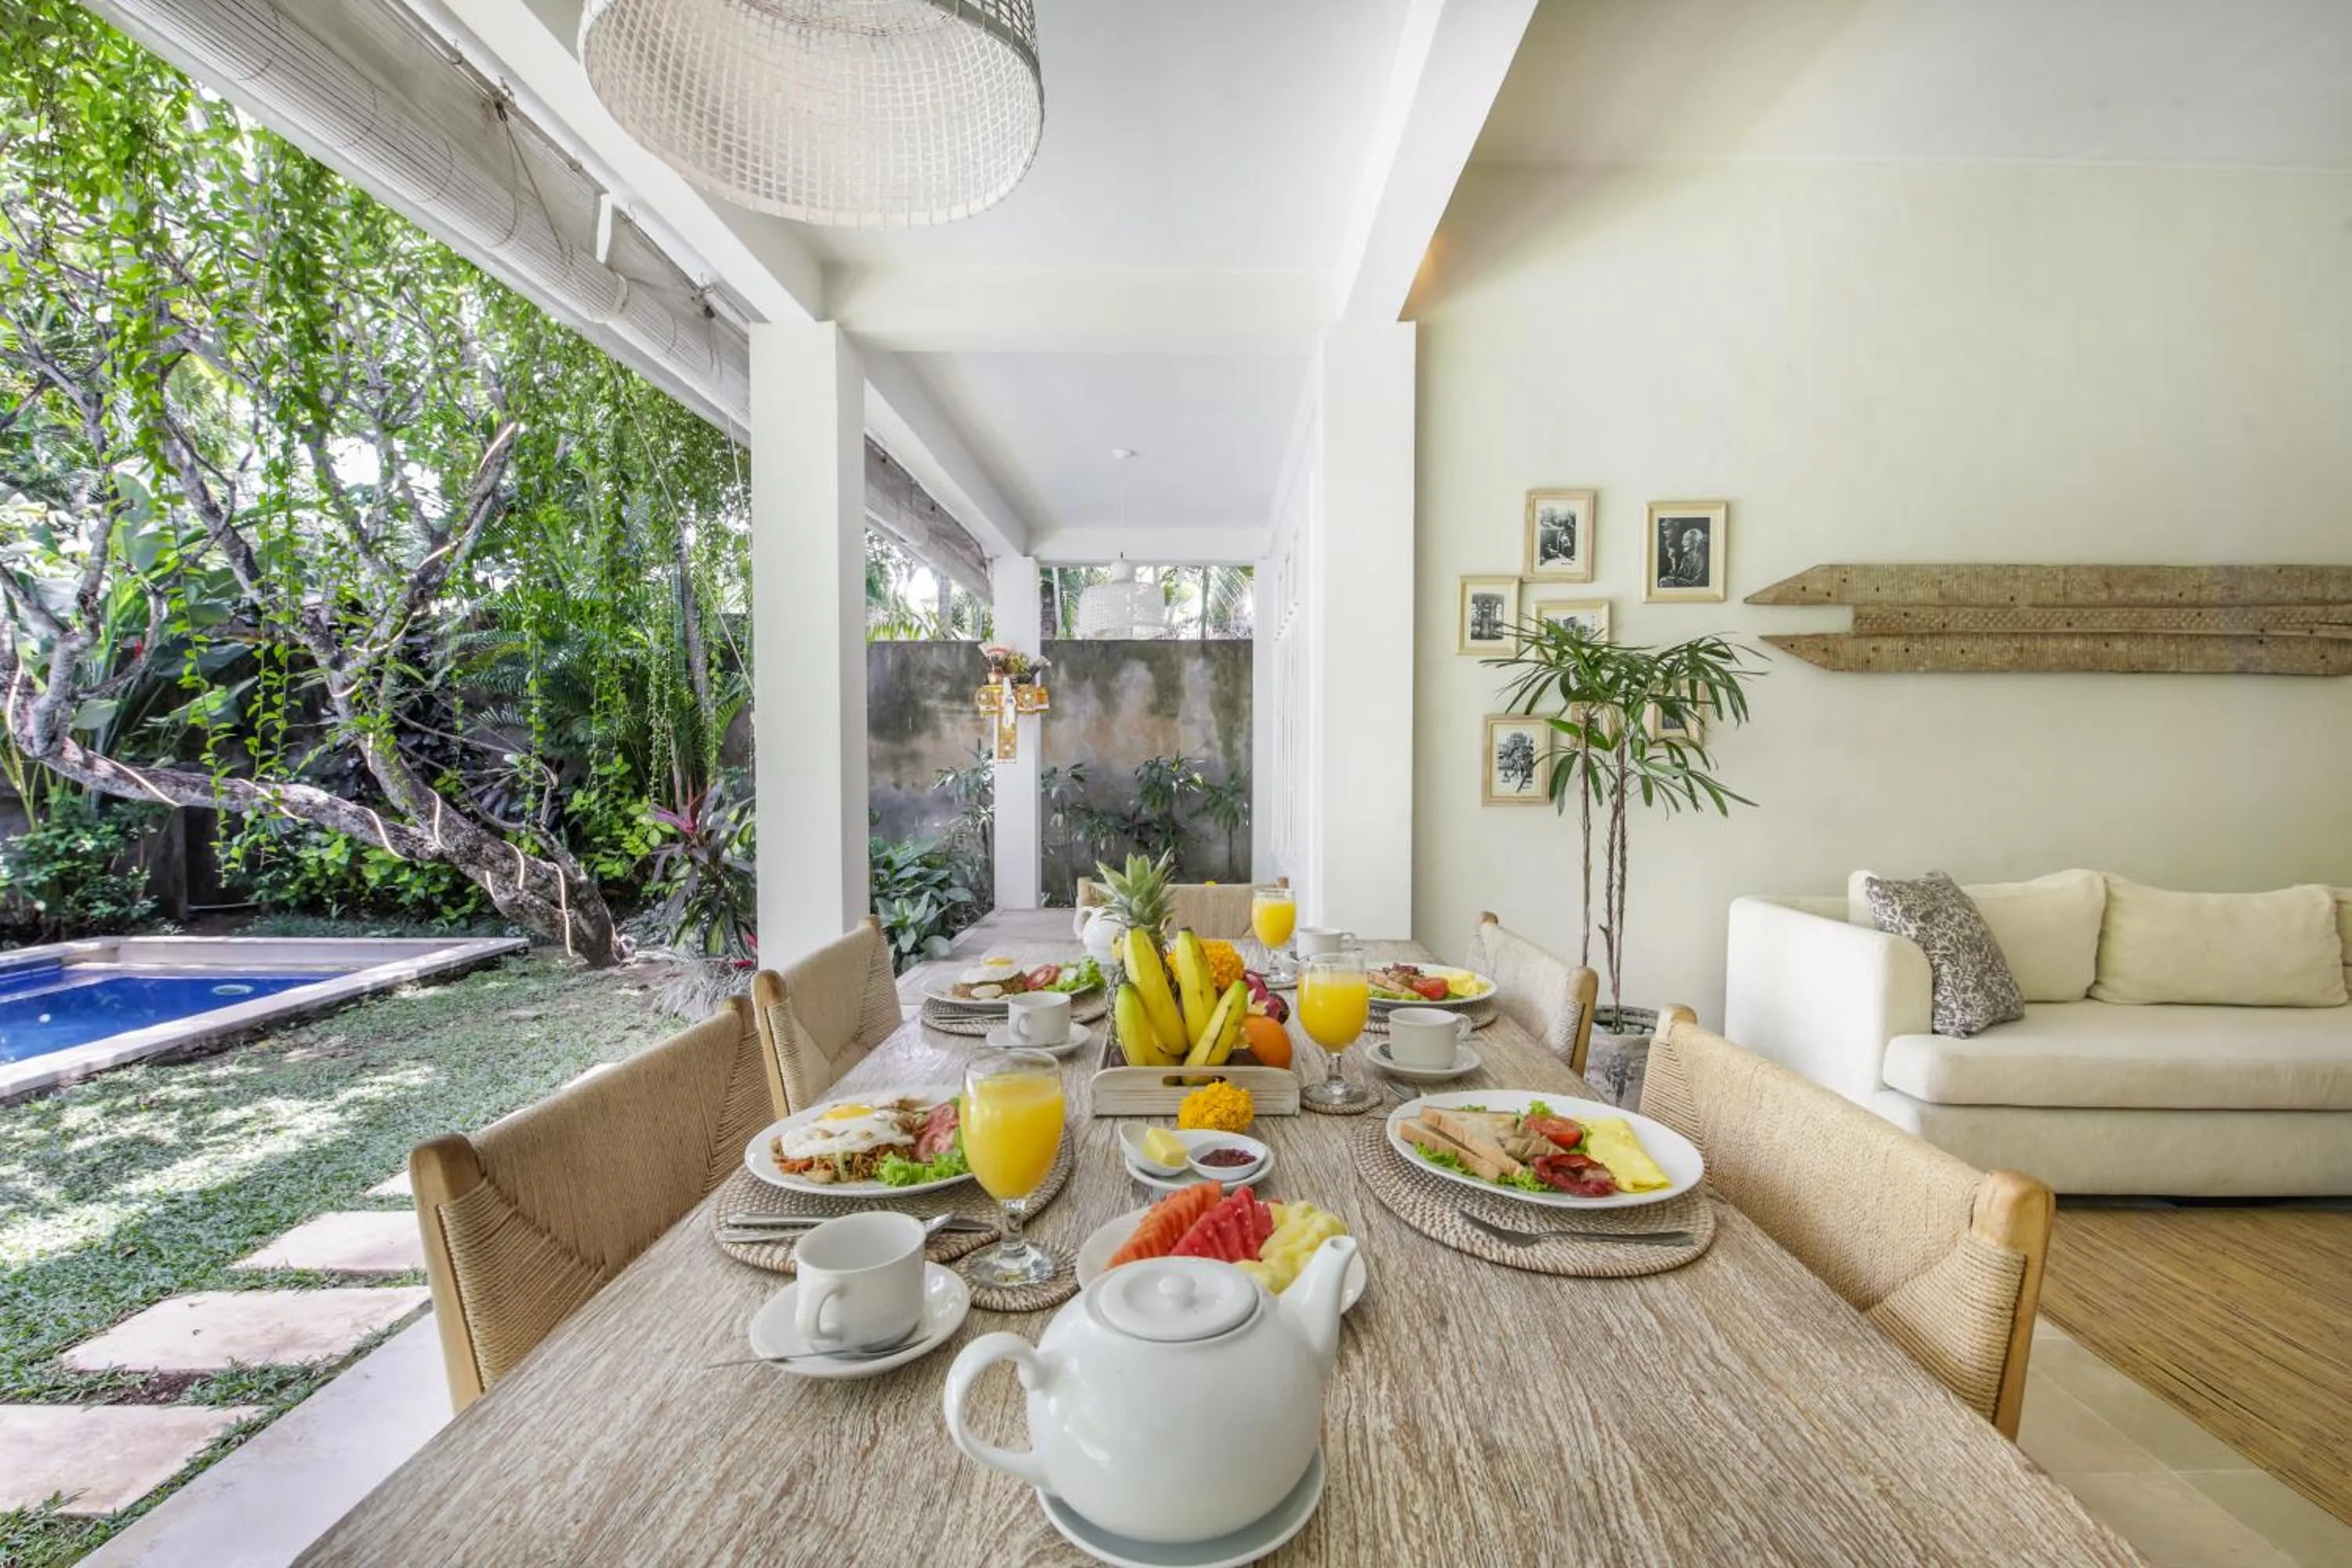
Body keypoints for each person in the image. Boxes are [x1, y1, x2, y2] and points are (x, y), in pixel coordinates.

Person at [1659, 524, 1710, 589]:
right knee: (1664, 581)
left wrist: (1674, 580)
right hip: (1686, 586)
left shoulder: (1701, 559)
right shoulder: (1686, 558)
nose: (1683, 543)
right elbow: (1679, 576)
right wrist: (1673, 561)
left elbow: (1698, 583)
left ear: (1696, 542)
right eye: (1683, 540)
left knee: (1665, 581)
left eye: (1687, 539)